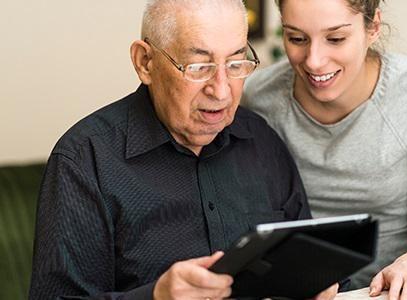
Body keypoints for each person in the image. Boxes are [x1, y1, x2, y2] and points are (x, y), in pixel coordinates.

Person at [28, 0, 341, 299]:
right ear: (145, 62)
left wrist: (317, 284)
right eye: (199, 66)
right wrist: (156, 297)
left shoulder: (261, 141)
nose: (221, 90)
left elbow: (310, 267)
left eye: (235, 64)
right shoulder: (85, 158)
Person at [242, 0, 407, 299]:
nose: (314, 61)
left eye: (335, 39)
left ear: (372, 28)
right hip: (316, 290)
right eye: (297, 38)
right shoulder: (259, 98)